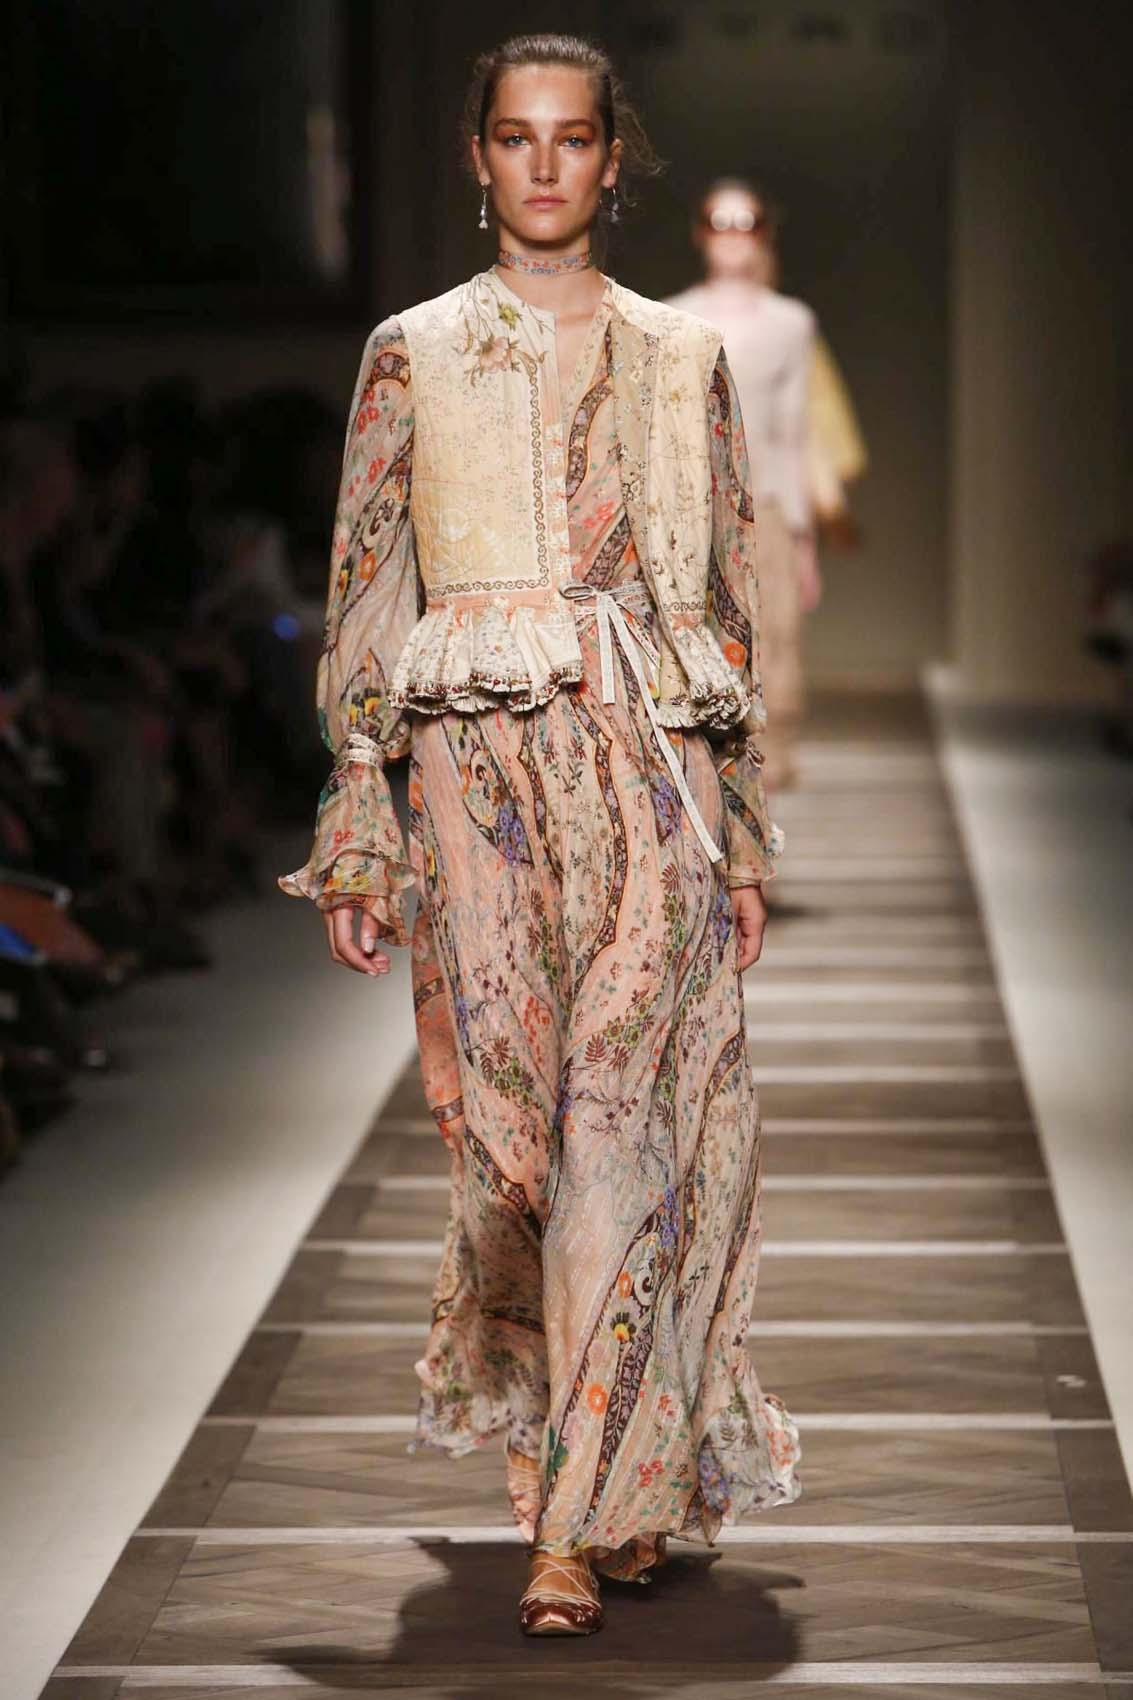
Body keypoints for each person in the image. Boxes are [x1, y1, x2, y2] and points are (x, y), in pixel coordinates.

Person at [282, 33, 800, 1637]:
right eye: (518, 137)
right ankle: (608, 1465)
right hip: (477, 785)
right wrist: (359, 820)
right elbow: (368, 589)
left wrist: (744, 835)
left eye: (573, 137)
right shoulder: (414, 353)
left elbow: (723, 601)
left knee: (619, 1129)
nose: (547, 164)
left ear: (610, 160)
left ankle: (572, 1526)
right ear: (479, 157)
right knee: (512, 1150)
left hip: (648, 775)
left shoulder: (680, 356)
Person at [667, 179, 818, 790]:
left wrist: (805, 538)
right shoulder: (669, 316)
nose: (732, 235)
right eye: (719, 222)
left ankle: (770, 761)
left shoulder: (792, 323)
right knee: (696, 625)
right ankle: (702, 755)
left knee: (775, 630)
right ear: (700, 232)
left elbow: (794, 430)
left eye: (745, 222)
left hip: (770, 502)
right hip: (692, 501)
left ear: (764, 233)